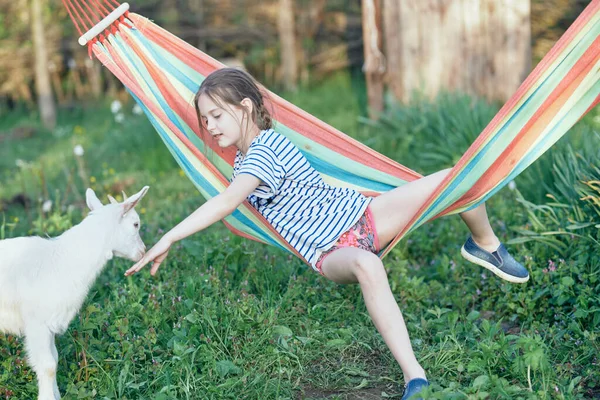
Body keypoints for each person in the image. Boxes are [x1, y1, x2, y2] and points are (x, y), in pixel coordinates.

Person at [125, 68, 529, 399]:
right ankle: (415, 377)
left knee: (457, 180)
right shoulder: (245, 164)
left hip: (366, 217)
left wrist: (169, 236)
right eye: (205, 119)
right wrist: (174, 235)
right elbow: (230, 199)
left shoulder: (265, 149)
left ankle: (486, 244)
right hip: (332, 251)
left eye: (216, 115)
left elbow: (227, 201)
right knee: (368, 264)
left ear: (245, 107)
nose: (209, 127)